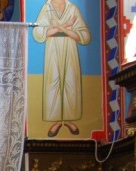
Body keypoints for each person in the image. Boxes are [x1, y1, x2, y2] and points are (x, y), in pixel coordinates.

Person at [33, 0, 90, 137]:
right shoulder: (47, 8)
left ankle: (69, 119)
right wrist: (66, 26)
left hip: (69, 46)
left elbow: (85, 35)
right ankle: (57, 121)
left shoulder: (72, 8)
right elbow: (38, 32)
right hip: (53, 47)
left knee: (70, 81)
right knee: (53, 81)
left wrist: (59, 28)